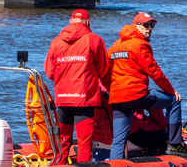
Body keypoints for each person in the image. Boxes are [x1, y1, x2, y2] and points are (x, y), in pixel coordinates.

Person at [107, 12, 186, 159]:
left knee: (118, 141)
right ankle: (174, 144)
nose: (150, 28)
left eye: (152, 25)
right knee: (174, 101)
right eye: (146, 25)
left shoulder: (115, 46)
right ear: (136, 26)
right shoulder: (140, 44)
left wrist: (111, 90)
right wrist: (171, 90)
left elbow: (105, 70)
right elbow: (155, 72)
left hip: (117, 97)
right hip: (136, 95)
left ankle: (114, 163)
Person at [44, 8, 109, 163]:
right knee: (84, 143)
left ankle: (59, 165)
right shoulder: (94, 40)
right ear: (87, 22)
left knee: (63, 141)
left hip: (63, 99)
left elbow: (49, 72)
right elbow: (103, 69)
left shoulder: (56, 42)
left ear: (70, 21)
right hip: (84, 99)